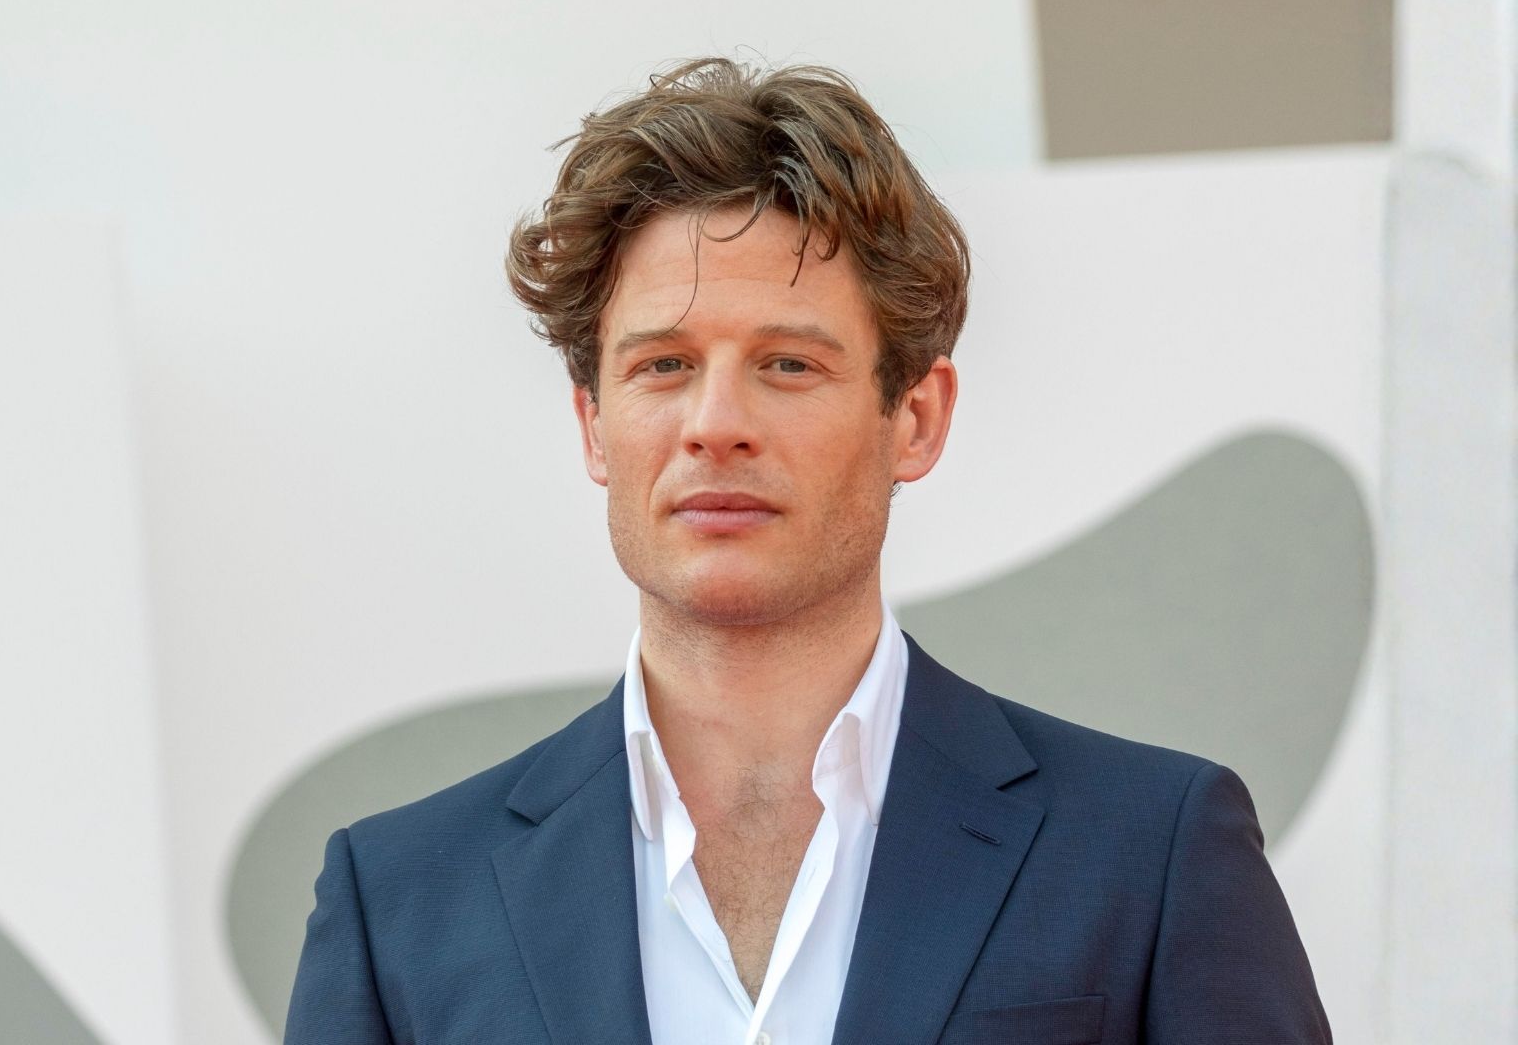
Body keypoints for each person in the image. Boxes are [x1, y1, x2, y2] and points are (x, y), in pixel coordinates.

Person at [285, 57, 1332, 1045]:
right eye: (663, 365)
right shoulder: (400, 900)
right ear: (594, 426)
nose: (716, 425)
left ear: (916, 418)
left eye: (787, 364)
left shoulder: (1150, 852)